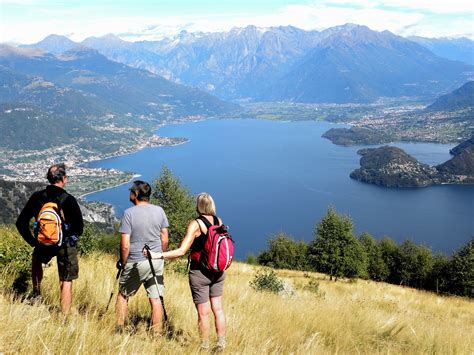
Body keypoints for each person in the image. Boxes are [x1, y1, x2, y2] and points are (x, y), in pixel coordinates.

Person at [145, 192, 227, 350]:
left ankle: (204, 346)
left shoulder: (196, 224)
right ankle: (221, 344)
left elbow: (181, 251)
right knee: (218, 309)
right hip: (218, 271)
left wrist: (157, 255)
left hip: (200, 273)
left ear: (198, 206)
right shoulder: (219, 221)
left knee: (203, 313)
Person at [16, 163, 83, 314]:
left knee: (36, 262)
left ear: (48, 178)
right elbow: (79, 228)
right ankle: (65, 314)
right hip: (64, 244)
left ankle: (36, 294)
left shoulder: (37, 197)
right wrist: (68, 237)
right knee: (66, 279)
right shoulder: (69, 200)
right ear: (64, 179)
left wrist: (33, 241)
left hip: (42, 241)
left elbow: (21, 222)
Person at [115, 180, 169, 335]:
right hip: (155, 261)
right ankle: (157, 335)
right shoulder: (159, 211)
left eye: (131, 191)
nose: (130, 194)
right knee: (156, 298)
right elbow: (164, 238)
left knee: (123, 295)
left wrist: (123, 263)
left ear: (136, 194)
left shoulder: (129, 214)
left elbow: (125, 244)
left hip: (136, 260)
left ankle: (120, 330)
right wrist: (160, 256)